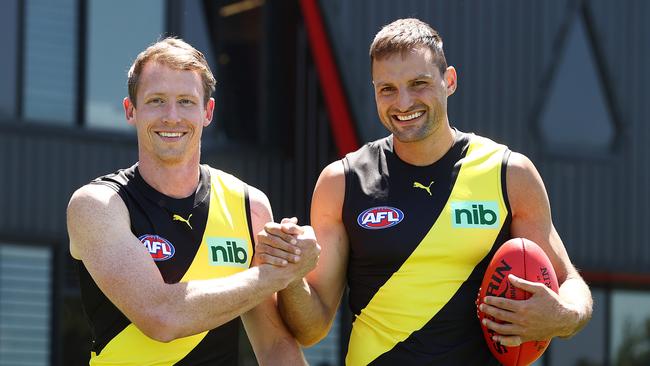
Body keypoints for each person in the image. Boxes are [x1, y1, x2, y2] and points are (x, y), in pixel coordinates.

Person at [258, 18, 593, 365]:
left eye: (418, 84)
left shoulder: (509, 174)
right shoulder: (341, 182)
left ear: (449, 81)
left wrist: (562, 315)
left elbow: (570, 282)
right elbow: (313, 328)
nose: (403, 103)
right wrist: (290, 274)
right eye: (387, 89)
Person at [66, 38, 318, 365]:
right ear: (131, 110)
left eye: (186, 101)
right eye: (156, 101)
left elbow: (274, 347)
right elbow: (161, 317)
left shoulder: (249, 206)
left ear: (207, 112)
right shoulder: (98, 205)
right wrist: (277, 275)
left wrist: (292, 270)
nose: (172, 117)